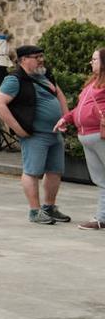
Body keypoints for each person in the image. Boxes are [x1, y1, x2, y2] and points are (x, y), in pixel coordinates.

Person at [0, 45, 71, 225]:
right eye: (36, 57)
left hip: (54, 133)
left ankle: (49, 207)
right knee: (32, 171)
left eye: (42, 56)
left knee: (55, 171)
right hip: (35, 135)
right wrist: (18, 129)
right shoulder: (15, 79)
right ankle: (35, 211)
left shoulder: (45, 75)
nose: (41, 60)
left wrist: (65, 118)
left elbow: (60, 95)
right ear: (23, 60)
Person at [56, 48, 105, 230]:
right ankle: (102, 217)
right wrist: (66, 118)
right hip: (87, 136)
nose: (91, 63)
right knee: (101, 180)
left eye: (95, 59)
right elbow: (79, 109)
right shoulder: (92, 84)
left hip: (100, 135)